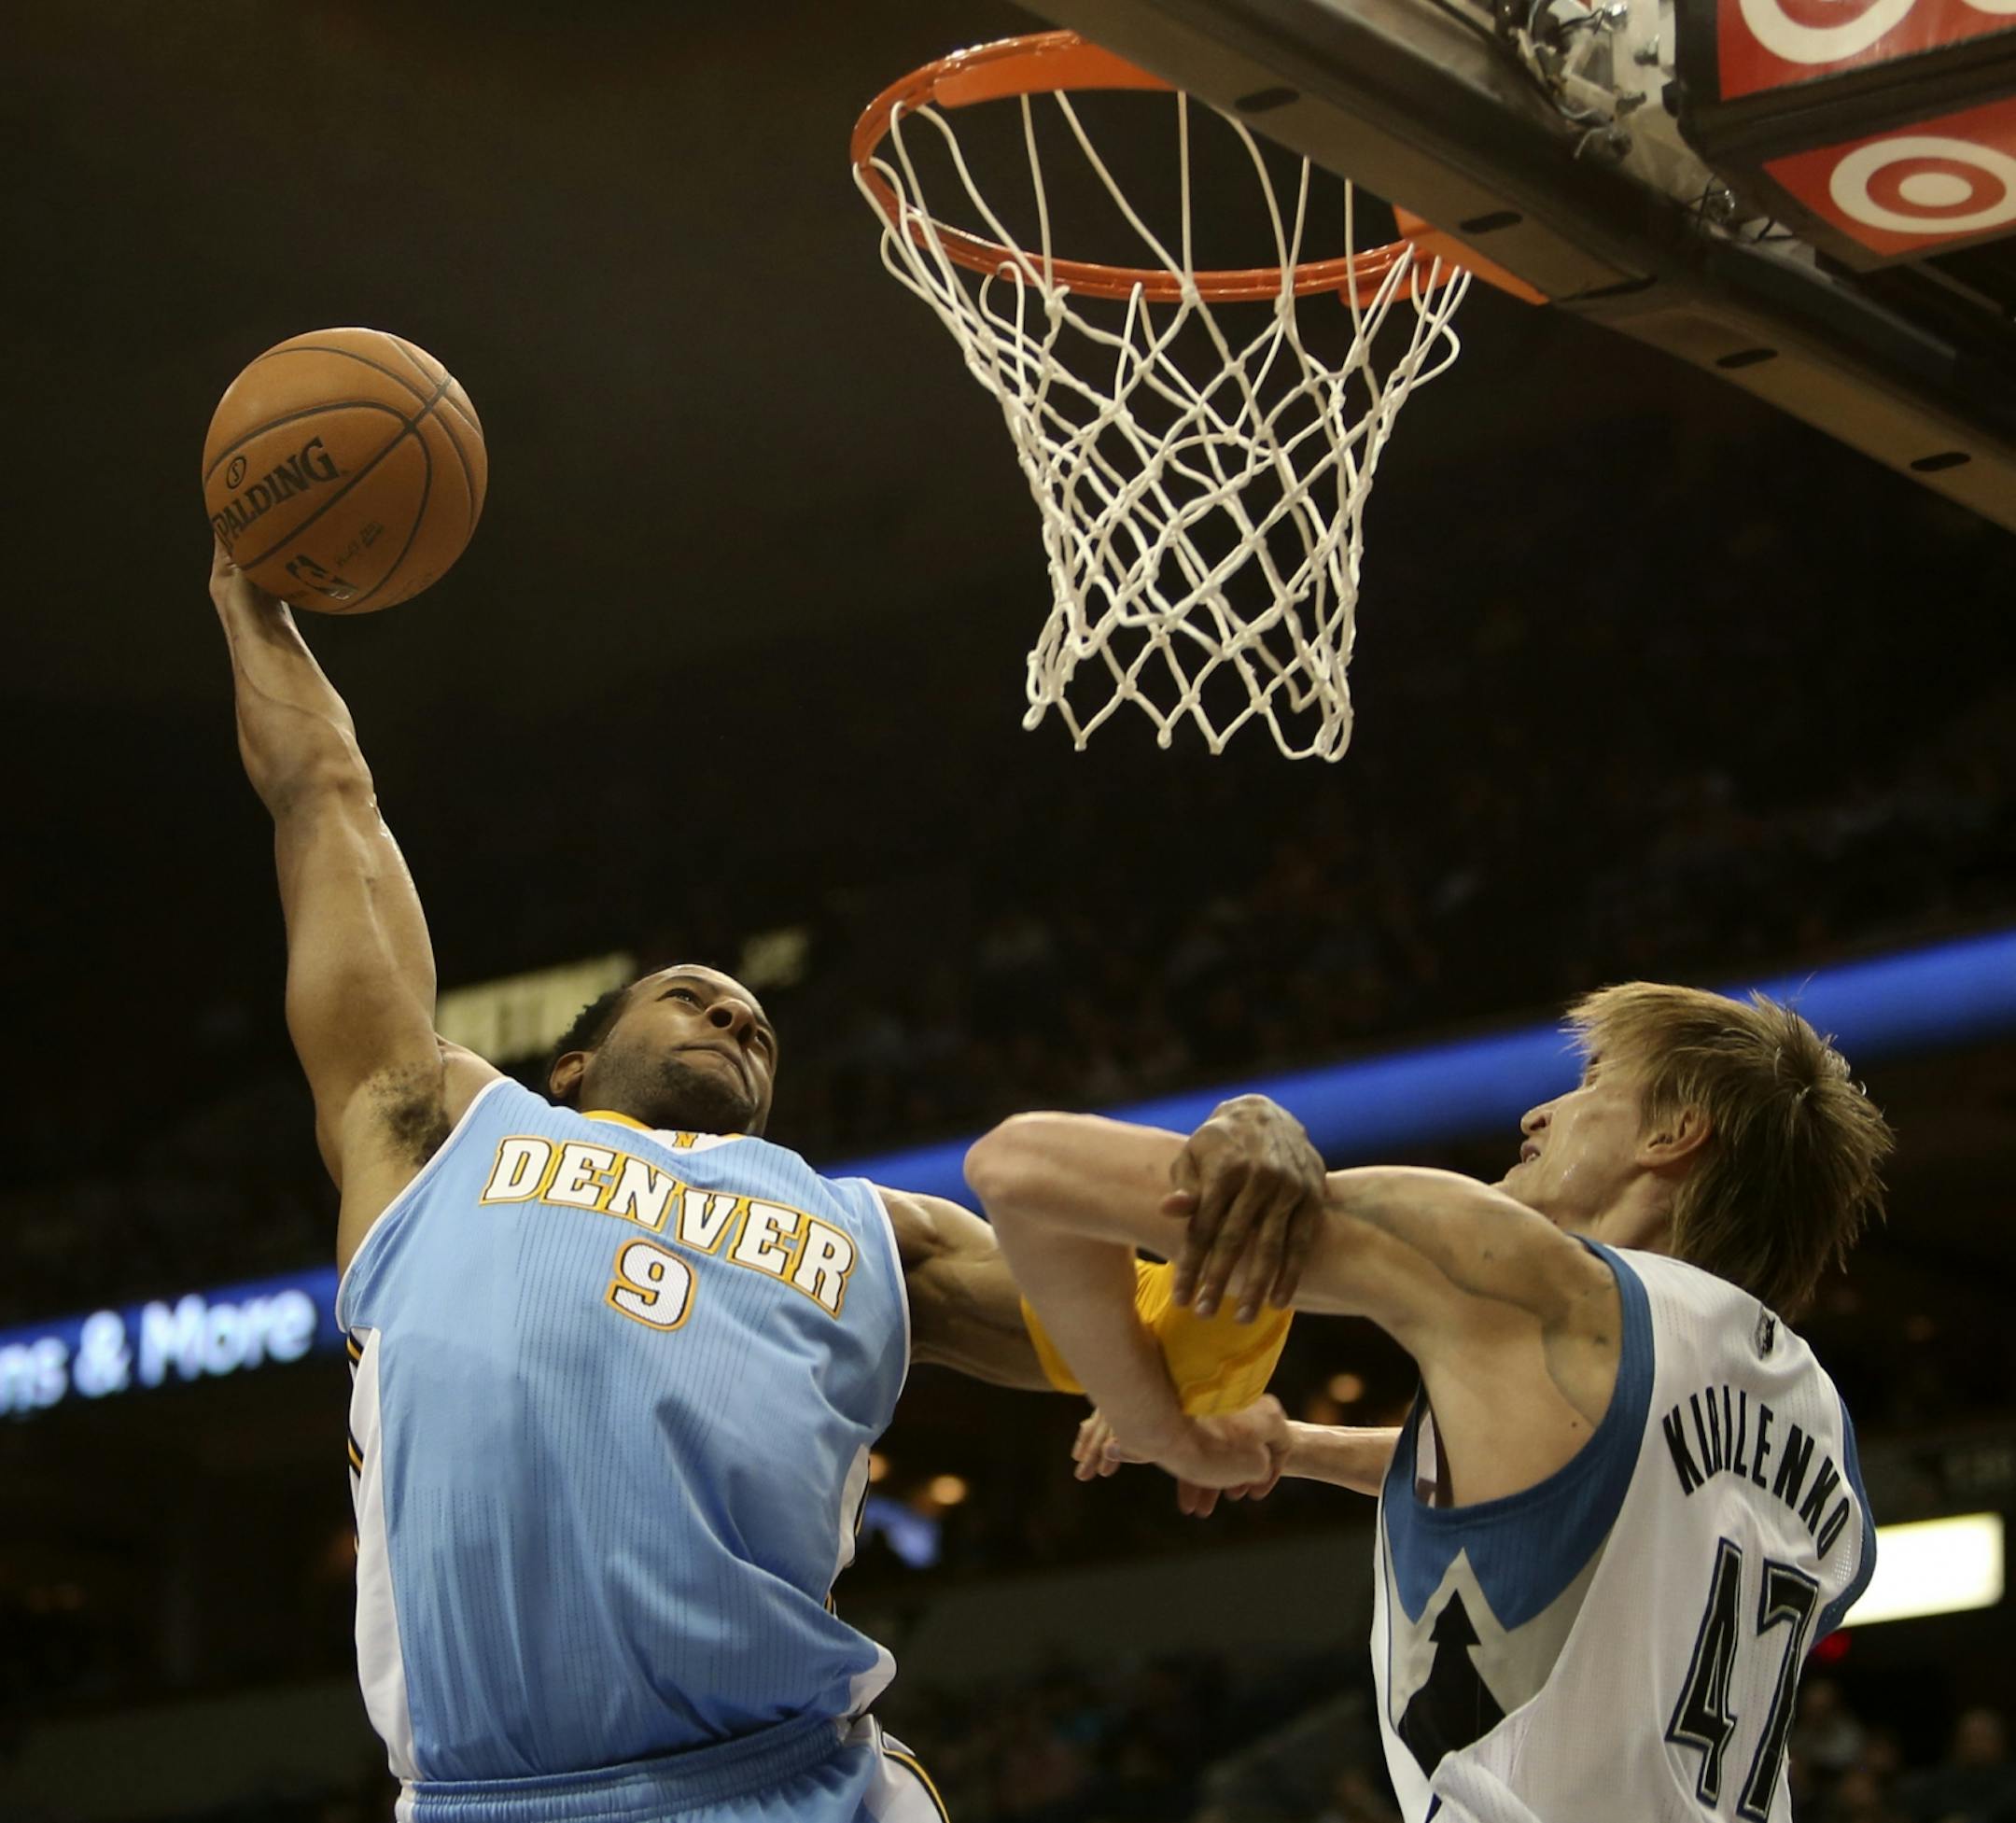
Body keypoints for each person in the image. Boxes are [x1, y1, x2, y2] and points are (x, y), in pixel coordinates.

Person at [206, 548, 1326, 1823]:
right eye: (690, 996)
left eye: (757, 1024)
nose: (737, 1011)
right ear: (572, 1064)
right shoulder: (436, 1128)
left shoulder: (870, 1229)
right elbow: (325, 798)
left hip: (791, 1783)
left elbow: (1173, 1351)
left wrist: (1248, 1166)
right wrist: (252, 605)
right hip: (497, 1799)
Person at [971, 981, 1895, 1822]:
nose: (1540, 1112)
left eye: (1596, 1079)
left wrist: (1162, 1426)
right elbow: (1576, 1478)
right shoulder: (1816, 1432)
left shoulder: (1535, 1282)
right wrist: (1293, 1443)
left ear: (1672, 1134)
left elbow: (1020, 1166)